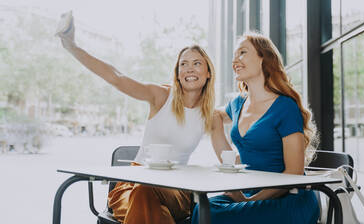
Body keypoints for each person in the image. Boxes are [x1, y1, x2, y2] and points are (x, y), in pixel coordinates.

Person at [56, 13, 216, 224]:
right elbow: (116, 77)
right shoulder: (160, 96)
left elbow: (245, 127)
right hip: (133, 184)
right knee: (144, 193)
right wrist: (72, 46)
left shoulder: (211, 114)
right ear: (177, 74)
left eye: (197, 63)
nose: (189, 69)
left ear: (208, 73)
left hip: (176, 190)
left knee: (146, 196)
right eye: (183, 64)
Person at [192, 32, 320, 224]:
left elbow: (293, 173)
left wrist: (250, 200)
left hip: (288, 198)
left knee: (217, 217)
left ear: (263, 58)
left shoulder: (285, 107)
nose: (235, 60)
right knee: (202, 210)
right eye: (234, 55)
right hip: (249, 190)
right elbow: (213, 115)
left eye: (242, 52)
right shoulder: (237, 104)